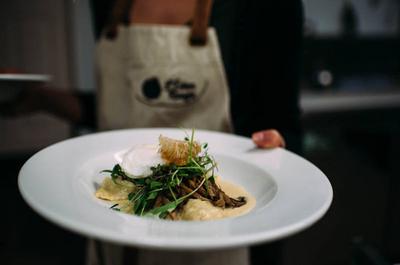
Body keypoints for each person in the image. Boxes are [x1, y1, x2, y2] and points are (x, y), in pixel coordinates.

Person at [1, 0, 303, 264]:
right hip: (116, 233)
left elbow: (283, 123)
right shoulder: (107, 3)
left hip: (212, 242)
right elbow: (119, 111)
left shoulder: (267, 6)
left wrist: (274, 149)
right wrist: (41, 99)